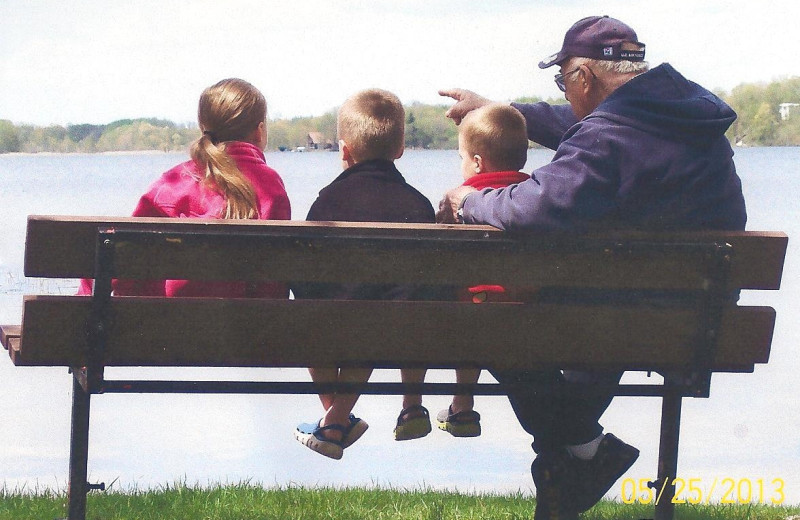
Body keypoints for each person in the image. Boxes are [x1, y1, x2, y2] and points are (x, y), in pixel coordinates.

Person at [437, 15, 746, 520]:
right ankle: (576, 459)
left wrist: (472, 202)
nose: (565, 93)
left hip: (622, 317)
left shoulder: (610, 138)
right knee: (575, 342)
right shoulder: (677, 119)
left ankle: (586, 448)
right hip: (694, 320)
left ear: (583, 78)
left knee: (493, 327)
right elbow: (580, 127)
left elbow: (534, 206)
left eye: (564, 82)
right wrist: (500, 110)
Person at [293, 88, 437, 459]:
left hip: (335, 330)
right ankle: (336, 419)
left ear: (344, 151)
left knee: (317, 318)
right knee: (378, 314)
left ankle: (335, 417)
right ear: (401, 147)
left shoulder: (326, 202)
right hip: (400, 332)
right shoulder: (418, 205)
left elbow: (307, 281)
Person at [78, 77, 291, 297]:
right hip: (250, 329)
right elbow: (274, 282)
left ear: (203, 128)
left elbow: (123, 260)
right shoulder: (270, 188)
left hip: (164, 326)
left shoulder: (174, 184)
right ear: (259, 131)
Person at [403, 103, 532, 439]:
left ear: (476, 162)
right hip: (530, 321)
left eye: (461, 157)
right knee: (483, 296)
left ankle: (430, 404)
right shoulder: (532, 197)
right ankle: (462, 404)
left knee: (467, 296)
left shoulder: (459, 201)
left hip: (461, 323)